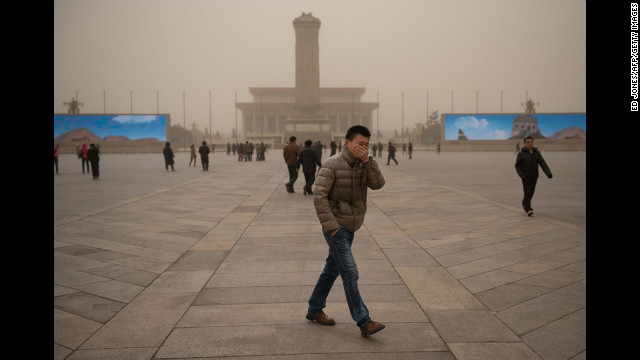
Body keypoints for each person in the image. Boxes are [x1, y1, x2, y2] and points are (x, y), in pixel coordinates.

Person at [307, 125, 386, 337]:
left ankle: (314, 308)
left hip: (352, 225)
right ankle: (364, 321)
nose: (363, 148)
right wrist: (332, 228)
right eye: (360, 144)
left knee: (331, 269)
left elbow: (378, 184)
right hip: (336, 227)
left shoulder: (364, 164)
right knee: (350, 272)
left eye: (367, 145)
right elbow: (319, 197)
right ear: (347, 143)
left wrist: (368, 162)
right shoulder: (332, 164)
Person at [515, 136, 552, 216]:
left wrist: (548, 173)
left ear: (533, 143)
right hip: (525, 176)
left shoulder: (537, 153)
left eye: (531, 142)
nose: (529, 144)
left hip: (534, 176)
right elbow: (517, 166)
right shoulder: (521, 154)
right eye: (528, 142)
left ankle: (524, 202)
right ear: (525, 143)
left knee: (532, 191)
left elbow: (542, 163)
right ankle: (528, 209)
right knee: (527, 192)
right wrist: (521, 174)